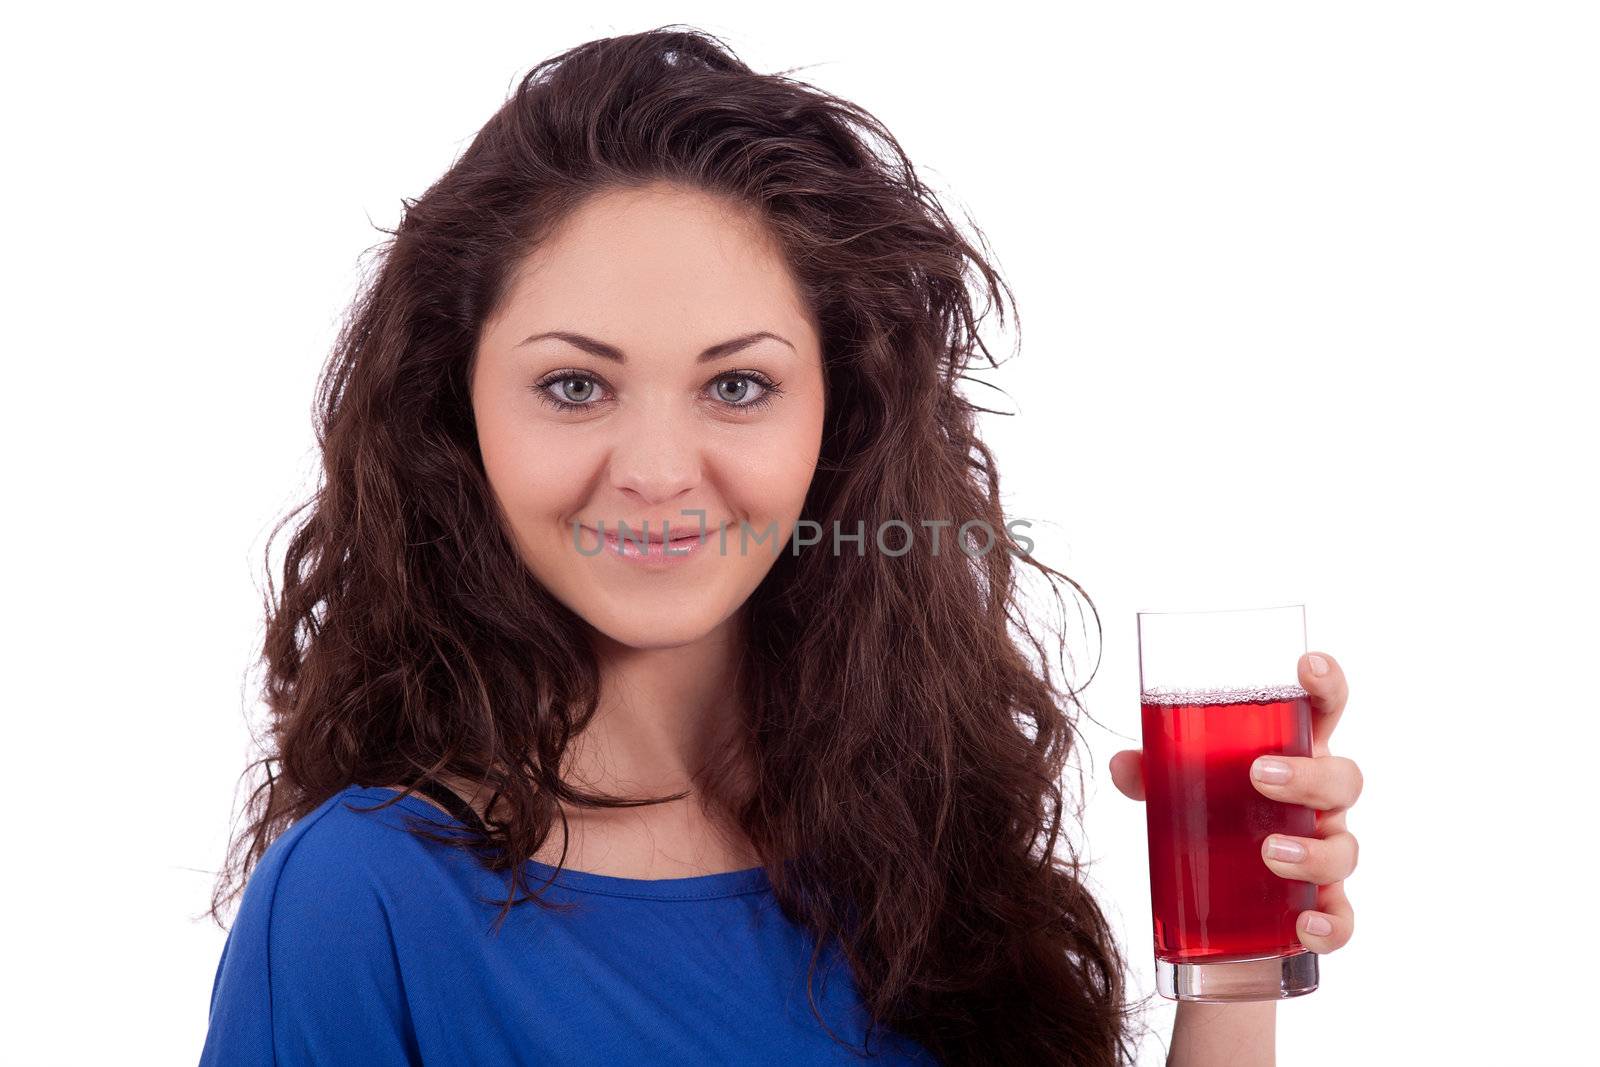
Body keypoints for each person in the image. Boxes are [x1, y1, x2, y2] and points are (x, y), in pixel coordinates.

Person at [198, 25, 1362, 1067]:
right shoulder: (360, 902)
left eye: (738, 383)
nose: (656, 469)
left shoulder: (921, 837)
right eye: (572, 384)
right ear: (457, 412)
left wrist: (1237, 969)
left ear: (836, 418)